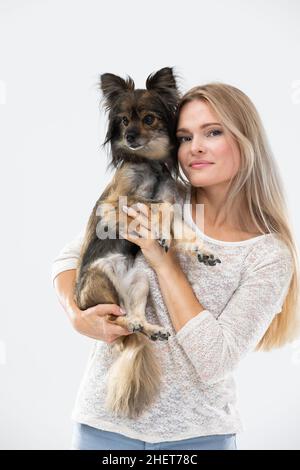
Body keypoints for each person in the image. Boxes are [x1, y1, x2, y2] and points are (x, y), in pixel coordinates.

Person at [52, 82, 299, 450]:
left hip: (199, 437)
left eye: (212, 132)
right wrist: (75, 314)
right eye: (184, 137)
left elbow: (214, 361)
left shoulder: (268, 254)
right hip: (102, 425)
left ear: (247, 141)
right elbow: (73, 256)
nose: (194, 147)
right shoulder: (153, 194)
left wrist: (164, 262)